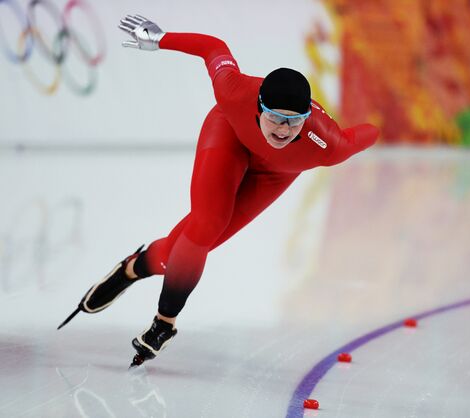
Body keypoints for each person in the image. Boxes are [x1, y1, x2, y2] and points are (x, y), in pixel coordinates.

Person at [58, 14, 380, 366]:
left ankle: (134, 267)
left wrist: (379, 127)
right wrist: (161, 38)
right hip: (229, 136)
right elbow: (214, 48)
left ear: (306, 119)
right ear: (259, 108)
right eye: (275, 117)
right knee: (206, 224)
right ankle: (164, 325)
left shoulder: (326, 144)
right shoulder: (235, 91)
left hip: (274, 174)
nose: (284, 130)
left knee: (184, 251)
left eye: (294, 121)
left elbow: (363, 135)